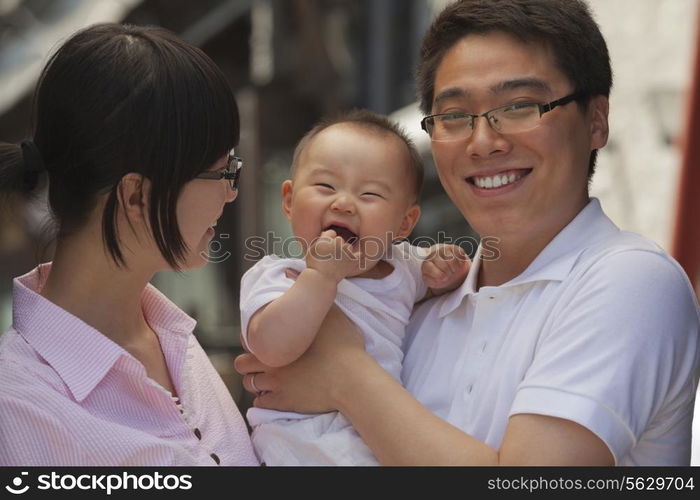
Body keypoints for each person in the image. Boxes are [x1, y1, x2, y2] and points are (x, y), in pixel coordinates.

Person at [235, 0, 700, 465]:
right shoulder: (416, 304)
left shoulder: (629, 281)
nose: (483, 142)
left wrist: (345, 373)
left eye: (519, 106)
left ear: (596, 120)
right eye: (455, 115)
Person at [0, 23, 258, 466]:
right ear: (137, 196)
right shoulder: (18, 410)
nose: (231, 192)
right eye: (224, 172)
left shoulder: (174, 341)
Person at [240, 109, 470, 465]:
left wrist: (446, 268)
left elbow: (440, 283)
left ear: (404, 222)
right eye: (326, 187)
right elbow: (269, 349)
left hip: (378, 436)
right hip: (299, 442)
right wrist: (321, 278)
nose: (344, 203)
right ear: (289, 200)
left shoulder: (405, 265)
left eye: (370, 194)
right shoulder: (281, 276)